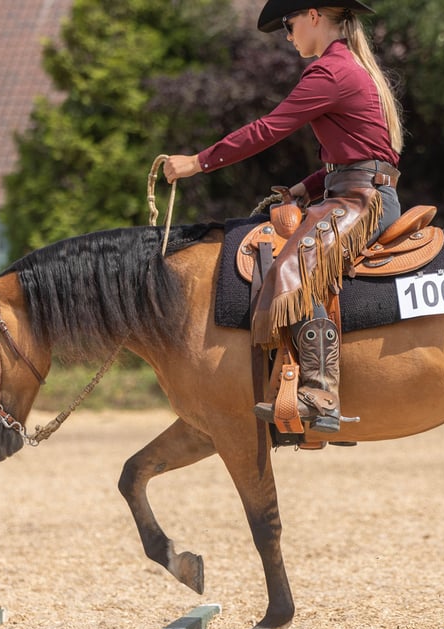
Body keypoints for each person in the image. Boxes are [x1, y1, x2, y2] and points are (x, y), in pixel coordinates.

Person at [163, 0, 404, 434]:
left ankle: (320, 390)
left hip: (362, 202)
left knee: (291, 266)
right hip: (354, 191)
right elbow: (353, 157)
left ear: (313, 15)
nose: (289, 37)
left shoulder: (330, 71)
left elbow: (268, 129)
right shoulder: (348, 66)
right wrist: (303, 190)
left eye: (290, 25)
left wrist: (197, 162)